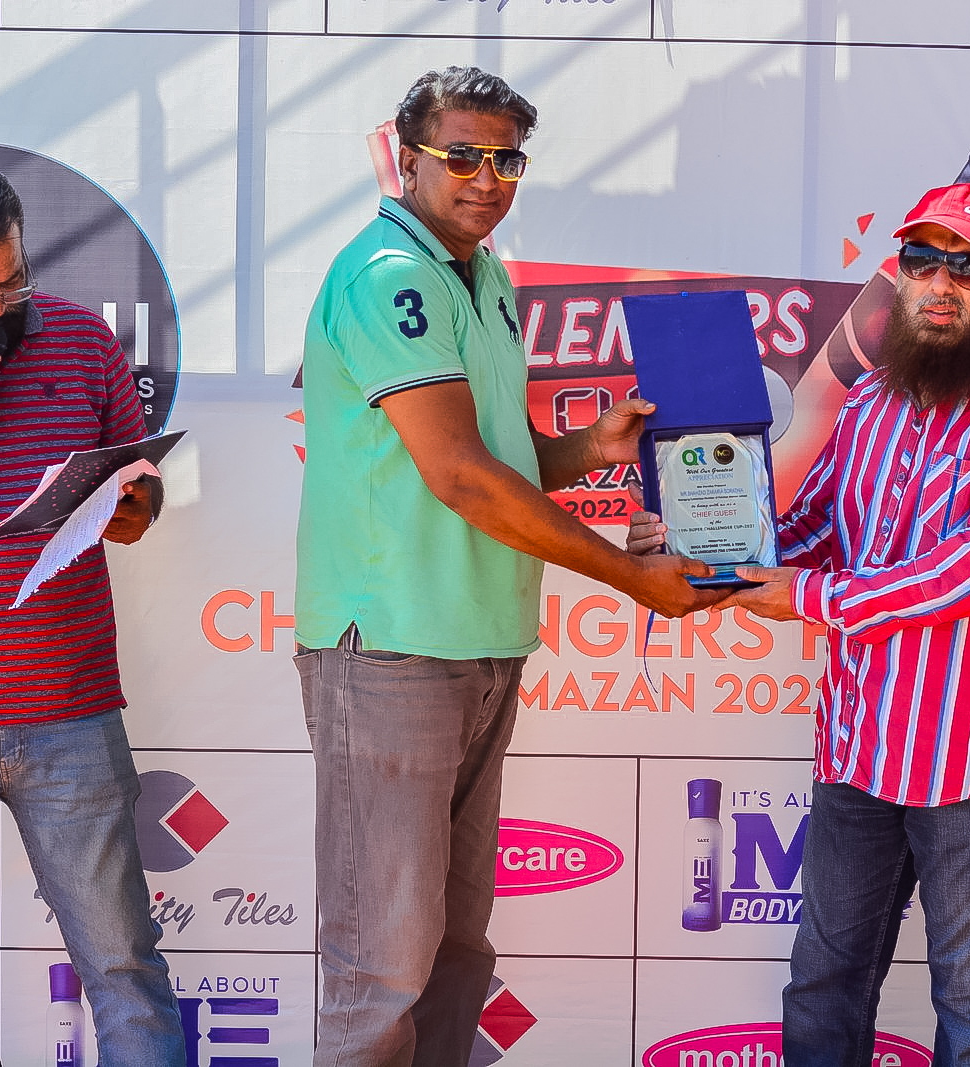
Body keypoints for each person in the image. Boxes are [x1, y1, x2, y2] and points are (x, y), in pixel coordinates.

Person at [295, 66, 722, 1066]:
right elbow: (460, 476)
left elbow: (501, 455)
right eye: (462, 156)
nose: (487, 179)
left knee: (452, 949)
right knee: (382, 964)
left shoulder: (481, 274)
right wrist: (632, 578)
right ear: (407, 158)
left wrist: (592, 449)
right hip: (392, 648)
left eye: (506, 159)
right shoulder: (388, 276)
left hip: (480, 643)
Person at [635, 183, 970, 1066]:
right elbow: (809, 533)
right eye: (923, 260)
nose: (942, 283)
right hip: (858, 751)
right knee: (823, 986)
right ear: (900, 273)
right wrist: (697, 543)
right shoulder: (874, 401)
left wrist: (812, 598)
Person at [0, 161, 183, 1063]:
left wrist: (135, 504)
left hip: (69, 713)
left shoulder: (83, 341)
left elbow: (140, 490)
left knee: (124, 966)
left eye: (10, 280)